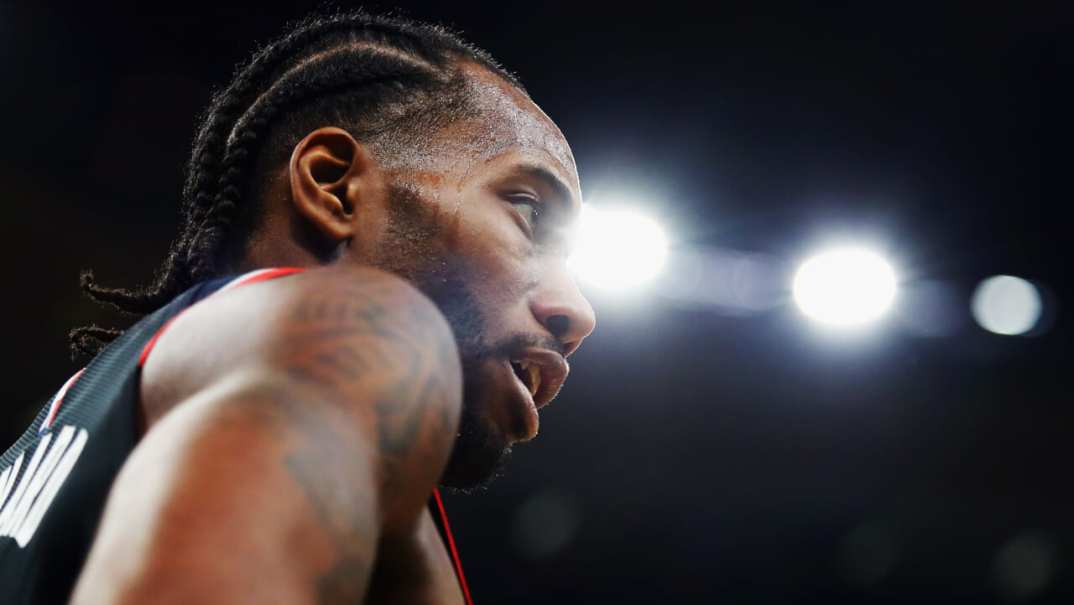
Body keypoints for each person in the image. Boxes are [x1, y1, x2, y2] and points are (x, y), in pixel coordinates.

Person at [0, 10, 595, 604]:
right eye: (530, 213)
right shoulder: (366, 336)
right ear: (334, 186)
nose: (578, 312)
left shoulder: (57, 439)